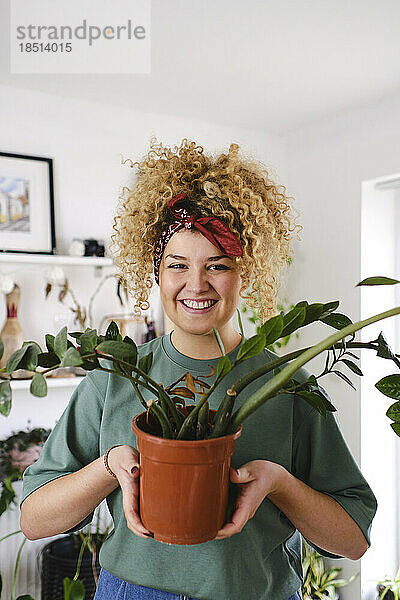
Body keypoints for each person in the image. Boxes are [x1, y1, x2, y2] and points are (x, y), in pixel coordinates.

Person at [20, 138, 377, 600]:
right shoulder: (115, 376)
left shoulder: (290, 386)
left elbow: (352, 540)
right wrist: (111, 468)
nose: (196, 284)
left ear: (244, 273)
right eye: (177, 265)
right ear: (155, 271)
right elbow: (32, 520)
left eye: (217, 266)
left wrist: (279, 483)